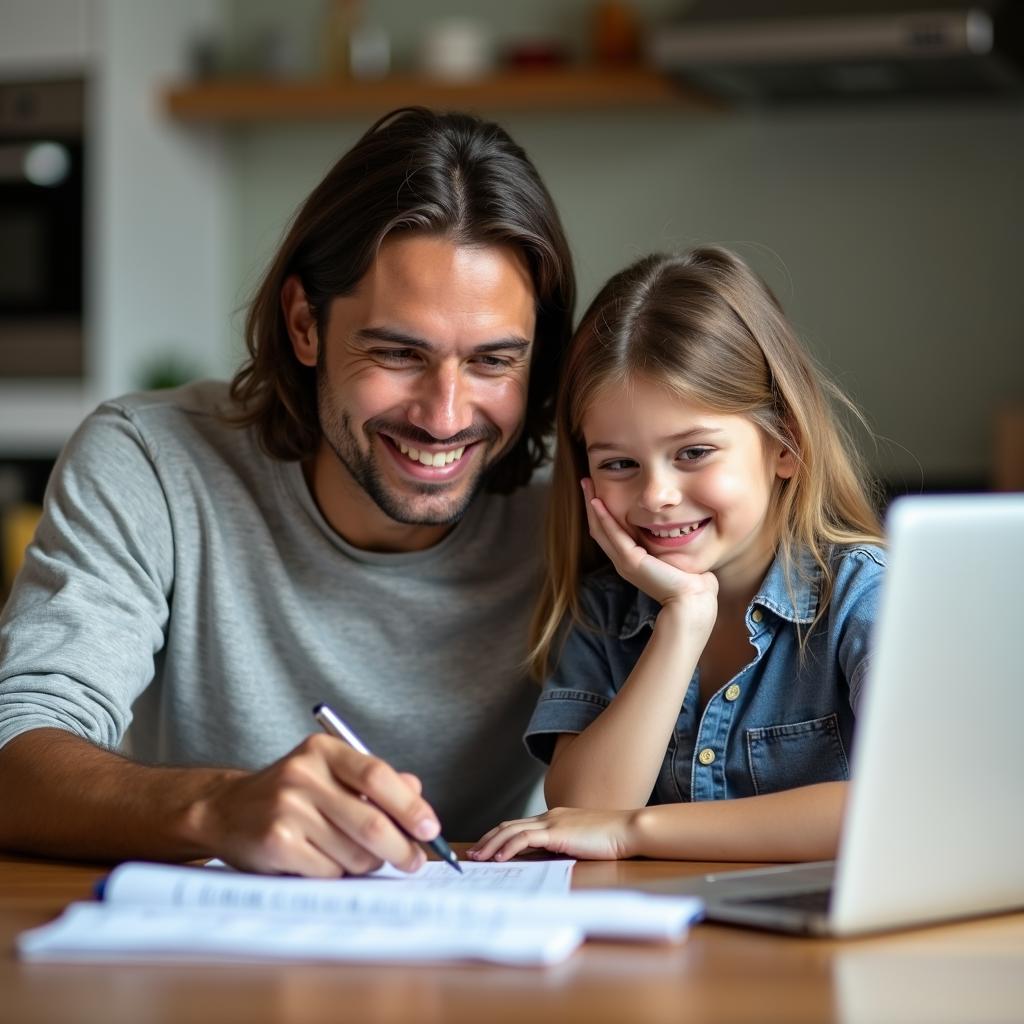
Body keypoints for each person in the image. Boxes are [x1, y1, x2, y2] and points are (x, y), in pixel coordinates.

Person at [0, 107, 575, 876]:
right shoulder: (152, 460)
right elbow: (16, 756)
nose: (445, 416)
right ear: (305, 324)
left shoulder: (577, 503)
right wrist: (216, 809)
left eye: (493, 362)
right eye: (399, 353)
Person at [468, 247, 885, 865]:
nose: (657, 495)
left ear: (785, 446)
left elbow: (902, 808)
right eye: (618, 463)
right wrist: (685, 619)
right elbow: (584, 804)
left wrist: (636, 832)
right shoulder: (605, 612)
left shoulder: (867, 598)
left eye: (693, 452)